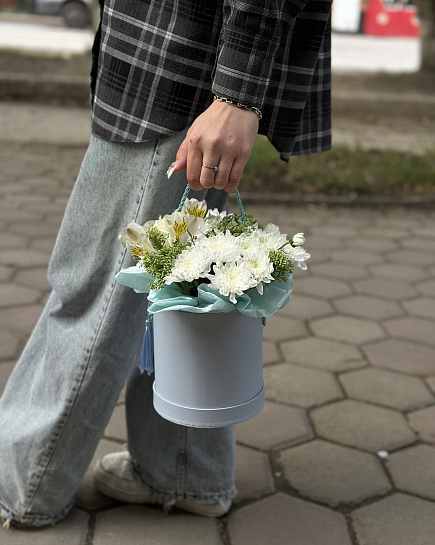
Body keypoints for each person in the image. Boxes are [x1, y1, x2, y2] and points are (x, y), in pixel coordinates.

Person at [0, 0, 332, 528]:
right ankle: (183, 473)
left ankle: (23, 481)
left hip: (177, 56)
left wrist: (237, 95)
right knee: (183, 282)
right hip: (189, 57)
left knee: (94, 285)